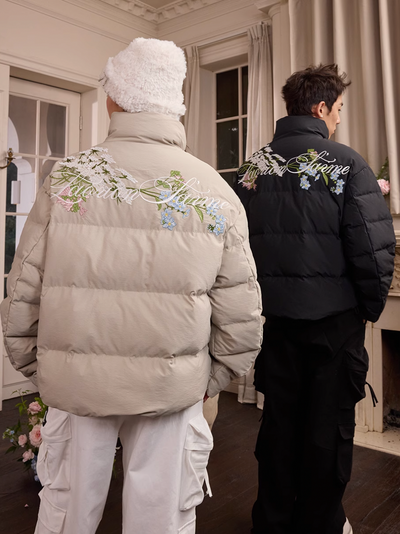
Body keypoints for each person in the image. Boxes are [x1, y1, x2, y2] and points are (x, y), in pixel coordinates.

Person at [1, 37, 263, 534]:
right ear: (173, 102)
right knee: (160, 520)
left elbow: (22, 293)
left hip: (77, 386)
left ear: (116, 99)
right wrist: (200, 381)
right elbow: (242, 316)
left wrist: (50, 369)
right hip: (171, 389)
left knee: (66, 515)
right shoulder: (214, 190)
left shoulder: (69, 179)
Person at [236, 64, 395, 534]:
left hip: (274, 324)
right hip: (333, 327)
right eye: (339, 109)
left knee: (279, 426)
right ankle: (321, 524)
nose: (339, 119)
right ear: (321, 107)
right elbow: (373, 251)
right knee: (327, 431)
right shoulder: (348, 164)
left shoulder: (251, 168)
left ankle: (272, 522)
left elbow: (232, 249)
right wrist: (366, 310)